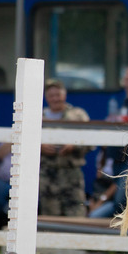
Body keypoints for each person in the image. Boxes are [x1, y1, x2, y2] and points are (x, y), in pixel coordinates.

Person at [38, 78, 91, 217]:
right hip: (47, 175)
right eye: (51, 95)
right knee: (50, 218)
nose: (55, 99)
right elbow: (22, 140)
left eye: (58, 95)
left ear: (64, 95)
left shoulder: (78, 115)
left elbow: (91, 140)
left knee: (77, 215)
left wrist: (73, 145)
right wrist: (40, 147)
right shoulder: (37, 116)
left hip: (71, 174)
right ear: (46, 97)